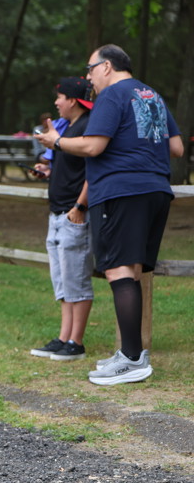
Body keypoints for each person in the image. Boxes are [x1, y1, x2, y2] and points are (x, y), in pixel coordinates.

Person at [37, 44, 184, 386]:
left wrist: (56, 141)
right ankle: (132, 355)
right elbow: (176, 148)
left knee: (118, 270)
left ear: (106, 66)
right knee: (131, 271)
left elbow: (93, 146)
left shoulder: (112, 95)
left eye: (90, 69)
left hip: (121, 191)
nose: (88, 77)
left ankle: (132, 360)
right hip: (156, 190)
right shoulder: (152, 96)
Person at [29, 77, 94, 362]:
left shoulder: (88, 127)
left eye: (60, 97)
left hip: (74, 214)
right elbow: (69, 168)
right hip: (56, 213)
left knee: (76, 279)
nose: (56, 102)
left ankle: (76, 343)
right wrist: (47, 170)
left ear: (73, 100)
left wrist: (80, 206)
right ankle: (63, 337)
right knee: (62, 280)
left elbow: (94, 172)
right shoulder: (65, 129)